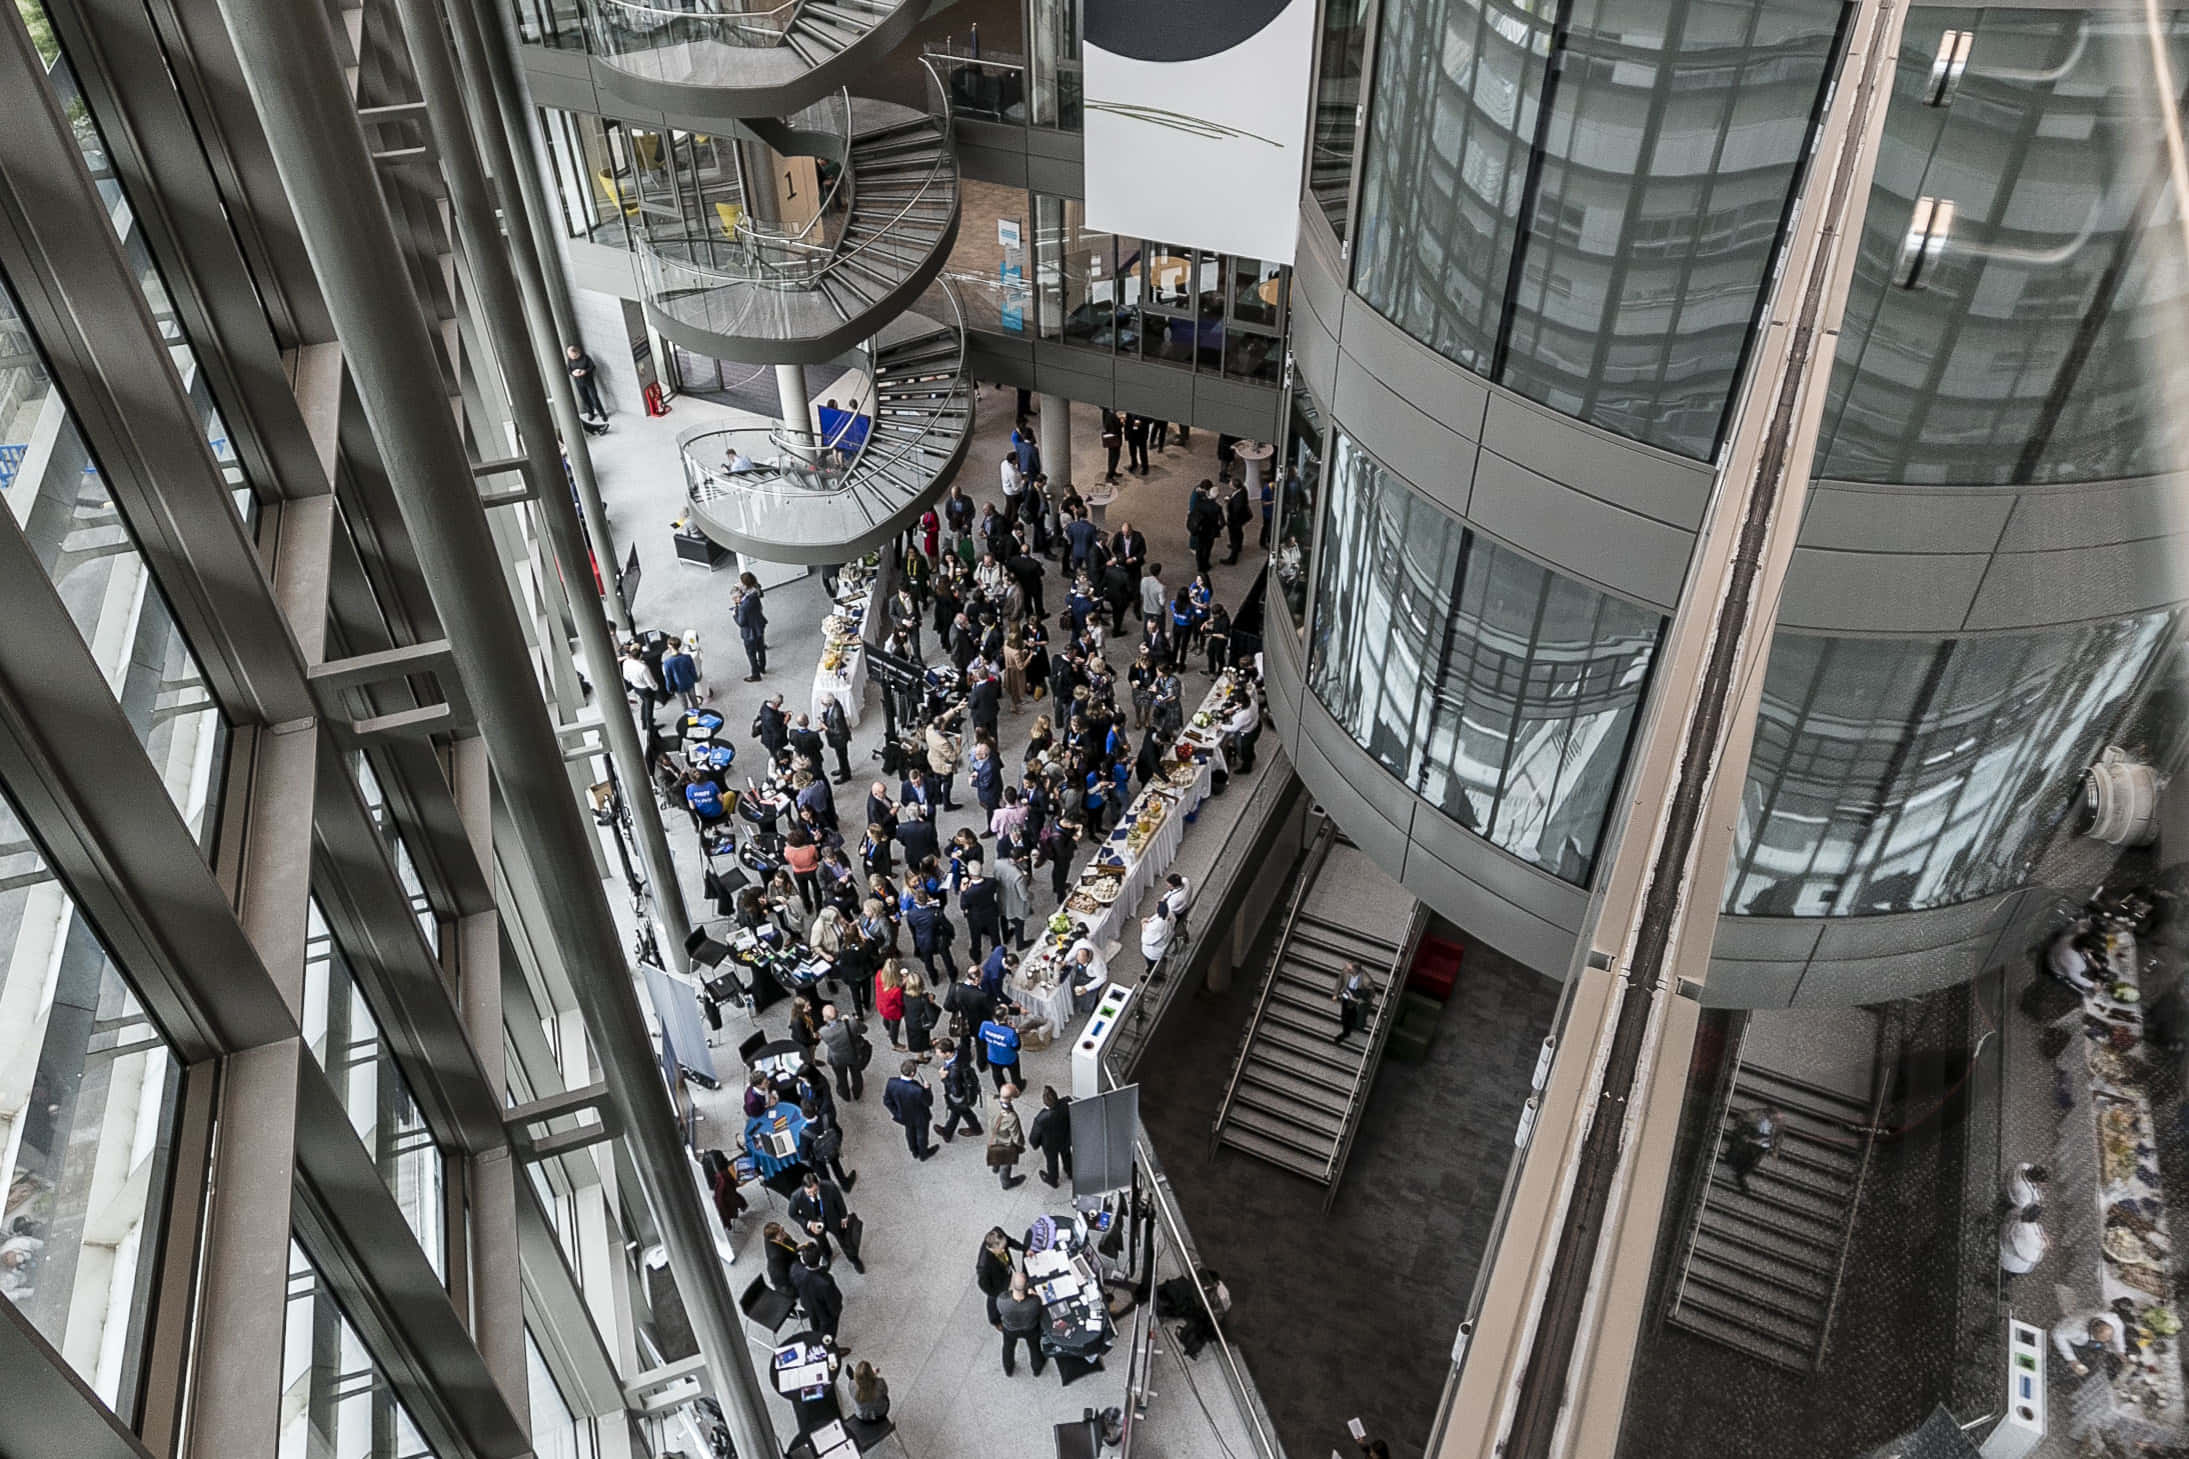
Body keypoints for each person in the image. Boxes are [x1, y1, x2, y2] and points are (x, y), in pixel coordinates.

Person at [789, 1171, 865, 1273]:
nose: (812, 1195)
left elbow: (840, 1202)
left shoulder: (830, 1187)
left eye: (815, 1191)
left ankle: (854, 1259)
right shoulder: (796, 1197)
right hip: (814, 1223)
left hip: (833, 1219)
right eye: (809, 1193)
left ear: (818, 1185)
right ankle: (827, 1255)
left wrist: (844, 1217)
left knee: (844, 1240)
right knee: (821, 1242)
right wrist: (808, 1223)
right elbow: (792, 1213)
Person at [790, 1243, 845, 1345]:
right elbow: (833, 1302)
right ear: (820, 1260)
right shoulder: (826, 1281)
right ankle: (829, 1347)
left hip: (807, 1304)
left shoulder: (795, 1269)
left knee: (815, 1325)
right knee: (828, 1333)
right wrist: (836, 1312)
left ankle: (817, 1338)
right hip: (824, 1313)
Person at [881, 1058, 936, 1160]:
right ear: (912, 1073)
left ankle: (914, 1151)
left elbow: (887, 1101)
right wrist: (927, 1089)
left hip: (904, 1115)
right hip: (920, 1117)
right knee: (922, 1136)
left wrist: (897, 1113)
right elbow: (928, 1102)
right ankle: (923, 1154)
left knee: (909, 1133)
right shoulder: (918, 1089)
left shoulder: (891, 1082)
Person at [935, 1034, 986, 1141]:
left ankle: (950, 1133)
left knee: (960, 1110)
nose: (937, 1054)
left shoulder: (954, 1072)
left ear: (948, 1053)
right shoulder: (960, 1050)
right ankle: (972, 1129)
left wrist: (944, 1078)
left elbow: (956, 1092)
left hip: (961, 1095)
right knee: (961, 1111)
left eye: (939, 1052)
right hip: (967, 1089)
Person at [817, 1003, 870, 1102]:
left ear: (825, 1019)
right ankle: (857, 1092)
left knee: (841, 1078)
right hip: (854, 1054)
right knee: (856, 1075)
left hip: (837, 1059)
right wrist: (853, 1020)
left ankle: (844, 1094)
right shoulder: (852, 1023)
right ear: (838, 1012)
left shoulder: (823, 1032)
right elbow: (864, 1029)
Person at [997, 1270, 1046, 1375]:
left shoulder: (1002, 1300)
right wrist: (1033, 1295)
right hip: (1030, 1329)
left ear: (1012, 1285)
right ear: (1027, 1286)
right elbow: (1039, 1310)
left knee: (1008, 1348)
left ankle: (1008, 1369)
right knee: (1034, 1348)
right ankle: (1037, 1369)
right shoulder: (1034, 1302)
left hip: (1010, 1330)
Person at [2052, 1310, 2127, 1378]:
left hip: (2090, 1341)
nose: (2108, 1339)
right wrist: (2072, 1360)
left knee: (2098, 1357)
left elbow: (2118, 1338)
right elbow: (2057, 1335)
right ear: (2093, 1331)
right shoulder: (2076, 1328)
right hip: (2073, 1341)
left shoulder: (2116, 1324)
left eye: (2109, 1336)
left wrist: (2120, 1352)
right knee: (2061, 1361)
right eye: (2102, 1338)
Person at [976, 1225, 1025, 1327]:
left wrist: (1024, 1249)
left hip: (1007, 1272)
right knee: (993, 1300)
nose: (1004, 1251)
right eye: (1001, 1249)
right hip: (998, 1285)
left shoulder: (998, 1232)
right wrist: (1000, 1294)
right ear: (991, 1248)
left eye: (1004, 1247)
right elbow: (985, 1287)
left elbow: (1010, 1241)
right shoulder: (984, 1266)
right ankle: (995, 1320)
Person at [1723, 1106, 1780, 1191]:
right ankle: (1736, 1165)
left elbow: (1776, 1136)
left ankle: (1741, 1175)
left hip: (1759, 1145)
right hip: (1749, 1141)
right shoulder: (1753, 1116)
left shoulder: (1774, 1124)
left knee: (1753, 1161)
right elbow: (1740, 1123)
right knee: (1745, 1155)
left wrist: (1774, 1149)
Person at [1029, 1085, 1074, 1188]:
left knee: (1052, 1162)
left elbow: (1034, 1136)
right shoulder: (1067, 1102)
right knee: (1067, 1155)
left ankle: (1053, 1180)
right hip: (1066, 1139)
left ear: (1045, 1102)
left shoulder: (1040, 1119)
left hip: (1050, 1146)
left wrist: (1035, 1145)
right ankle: (1070, 1172)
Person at [988, 1084, 1027, 1189]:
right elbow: (1016, 1136)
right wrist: (1020, 1145)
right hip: (1006, 1143)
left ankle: (995, 1167)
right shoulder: (1011, 1117)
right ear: (1011, 1098)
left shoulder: (992, 1100)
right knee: (1006, 1165)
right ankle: (1006, 1183)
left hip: (995, 1136)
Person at [735, 572, 768, 680]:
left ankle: (755, 674)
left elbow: (741, 622)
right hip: (759, 625)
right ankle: (762, 667)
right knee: (761, 648)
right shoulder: (756, 591)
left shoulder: (743, 606)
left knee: (751, 653)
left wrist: (735, 612)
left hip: (749, 632)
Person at [979, 1009, 1023, 1091]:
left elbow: (981, 1038)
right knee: (1015, 1075)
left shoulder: (985, 1025)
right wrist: (1015, 1030)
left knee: (997, 1075)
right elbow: (1017, 1047)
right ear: (1006, 1017)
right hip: (1009, 1058)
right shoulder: (1010, 1032)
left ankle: (1002, 1090)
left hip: (993, 1057)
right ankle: (1018, 1088)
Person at [2000, 1204, 2049, 1274]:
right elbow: (2046, 1244)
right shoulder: (2034, 1228)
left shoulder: (2020, 1226)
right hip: (2023, 1267)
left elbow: (2004, 1230)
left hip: (2007, 1261)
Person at [565, 344, 605, 420]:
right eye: (569, 355)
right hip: (578, 382)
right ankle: (591, 413)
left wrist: (585, 371)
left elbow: (592, 367)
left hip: (588, 381)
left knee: (594, 398)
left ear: (576, 352)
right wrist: (573, 373)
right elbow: (569, 370)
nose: (570, 356)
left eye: (572, 355)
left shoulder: (585, 358)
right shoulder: (570, 360)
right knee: (585, 399)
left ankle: (602, 413)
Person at [1333, 960, 1369, 1042]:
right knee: (1345, 1015)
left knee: (1352, 1013)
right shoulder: (1345, 972)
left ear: (1356, 970)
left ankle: (1351, 1026)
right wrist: (1336, 994)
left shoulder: (1364, 979)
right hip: (1346, 997)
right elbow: (1339, 982)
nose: (1347, 969)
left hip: (1355, 998)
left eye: (1350, 969)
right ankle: (1346, 1031)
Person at [763, 1220, 803, 1294]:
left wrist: (797, 1247)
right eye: (781, 1234)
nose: (785, 1234)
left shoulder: (775, 1236)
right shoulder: (776, 1256)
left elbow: (789, 1243)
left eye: (782, 1230)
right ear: (773, 1239)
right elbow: (785, 1276)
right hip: (785, 1278)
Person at [1068, 942, 1108, 1016]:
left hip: (1093, 978)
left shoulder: (1097, 964)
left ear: (1087, 958)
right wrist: (1065, 961)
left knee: (1091, 997)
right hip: (1083, 975)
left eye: (1082, 961)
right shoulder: (1080, 945)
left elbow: (1102, 978)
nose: (1079, 962)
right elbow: (1072, 952)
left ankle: (1093, 1010)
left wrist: (1086, 988)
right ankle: (1082, 1005)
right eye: (1078, 959)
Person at [822, 697, 855, 783]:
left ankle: (845, 775)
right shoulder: (834, 704)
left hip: (840, 740)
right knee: (841, 757)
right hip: (839, 739)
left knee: (842, 758)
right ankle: (842, 769)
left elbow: (838, 731)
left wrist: (826, 728)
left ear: (829, 704)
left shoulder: (836, 714)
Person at [1141, 900, 1175, 979]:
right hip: (1164, 945)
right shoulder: (1169, 916)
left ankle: (1153, 976)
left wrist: (1143, 924)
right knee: (1159, 963)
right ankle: (1155, 971)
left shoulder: (1157, 926)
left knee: (1152, 965)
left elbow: (1146, 940)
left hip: (1152, 952)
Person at [1099, 409, 1123, 482]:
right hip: (1114, 440)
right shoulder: (1111, 416)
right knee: (1114, 458)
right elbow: (1115, 428)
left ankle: (1112, 471)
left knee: (1112, 457)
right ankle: (1109, 476)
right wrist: (1121, 422)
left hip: (1111, 440)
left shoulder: (1107, 413)